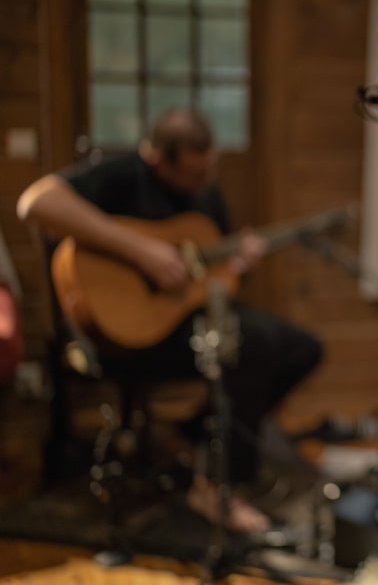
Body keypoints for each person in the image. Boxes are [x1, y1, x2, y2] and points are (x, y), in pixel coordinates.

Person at [17, 108, 323, 534]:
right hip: (119, 333)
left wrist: (237, 265)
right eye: (195, 173)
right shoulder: (124, 175)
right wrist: (142, 252)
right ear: (158, 161)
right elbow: (35, 202)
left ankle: (188, 436)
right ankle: (216, 488)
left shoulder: (206, 192)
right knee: (249, 344)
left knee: (301, 348)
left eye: (210, 169)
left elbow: (209, 273)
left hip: (182, 317)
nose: (206, 181)